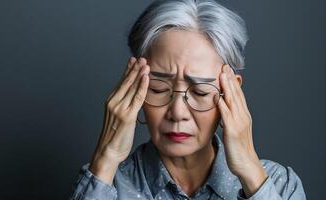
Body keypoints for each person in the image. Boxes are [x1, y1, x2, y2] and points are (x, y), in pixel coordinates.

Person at [70, 0, 306, 199]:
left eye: (200, 92)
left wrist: (250, 172)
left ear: (231, 91)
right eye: (159, 88)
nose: (178, 112)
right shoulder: (107, 186)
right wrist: (105, 158)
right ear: (134, 86)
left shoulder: (279, 185)